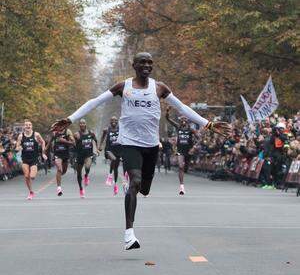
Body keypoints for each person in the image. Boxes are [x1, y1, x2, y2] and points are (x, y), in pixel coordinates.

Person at [51, 52, 231, 250]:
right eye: (142, 62)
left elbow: (182, 108)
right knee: (134, 180)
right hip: (128, 143)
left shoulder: (159, 87)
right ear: (134, 65)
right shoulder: (123, 86)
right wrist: (70, 118)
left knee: (144, 188)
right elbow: (95, 101)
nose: (146, 65)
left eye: (149, 63)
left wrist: (209, 124)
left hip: (151, 145)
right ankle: (129, 234)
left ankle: (134, 190)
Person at [166, 108, 199, 194]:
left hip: (189, 150)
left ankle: (186, 169)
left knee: (185, 168)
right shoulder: (178, 127)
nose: (183, 120)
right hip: (180, 150)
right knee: (180, 166)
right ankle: (181, 187)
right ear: (180, 120)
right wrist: (167, 111)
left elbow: (200, 138)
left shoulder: (191, 129)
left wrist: (194, 147)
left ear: (187, 121)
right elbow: (168, 119)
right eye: (182, 119)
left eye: (185, 119)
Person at [15, 120, 47, 200]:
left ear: (31, 126)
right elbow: (17, 147)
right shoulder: (21, 136)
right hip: (25, 159)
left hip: (34, 159)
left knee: (32, 176)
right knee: (26, 176)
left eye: (29, 125)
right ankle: (31, 192)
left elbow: (43, 142)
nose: (28, 126)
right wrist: (19, 148)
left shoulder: (36, 135)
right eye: (26, 125)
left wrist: (43, 153)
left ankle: (31, 188)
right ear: (24, 127)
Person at [100, 117, 127, 195]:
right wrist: (100, 146)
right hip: (109, 149)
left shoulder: (121, 129)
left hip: (118, 150)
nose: (114, 121)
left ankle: (115, 185)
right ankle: (109, 175)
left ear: (117, 121)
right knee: (114, 159)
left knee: (116, 168)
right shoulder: (106, 130)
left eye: (115, 120)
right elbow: (102, 138)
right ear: (110, 121)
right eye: (112, 120)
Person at [74, 119, 99, 198]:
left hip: (88, 154)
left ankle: (86, 175)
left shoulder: (91, 133)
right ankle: (81, 189)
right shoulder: (77, 134)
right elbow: (73, 143)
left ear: (86, 124)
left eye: (83, 123)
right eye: (80, 123)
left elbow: (95, 140)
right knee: (78, 173)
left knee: (87, 167)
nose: (82, 124)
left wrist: (97, 149)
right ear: (79, 125)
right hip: (79, 155)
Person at [48, 127, 75, 196]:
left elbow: (73, 143)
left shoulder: (68, 131)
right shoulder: (54, 132)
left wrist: (64, 141)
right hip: (57, 154)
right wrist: (44, 150)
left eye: (62, 124)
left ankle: (58, 177)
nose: (60, 126)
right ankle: (59, 188)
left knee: (64, 171)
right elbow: (49, 142)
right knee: (59, 169)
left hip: (65, 154)